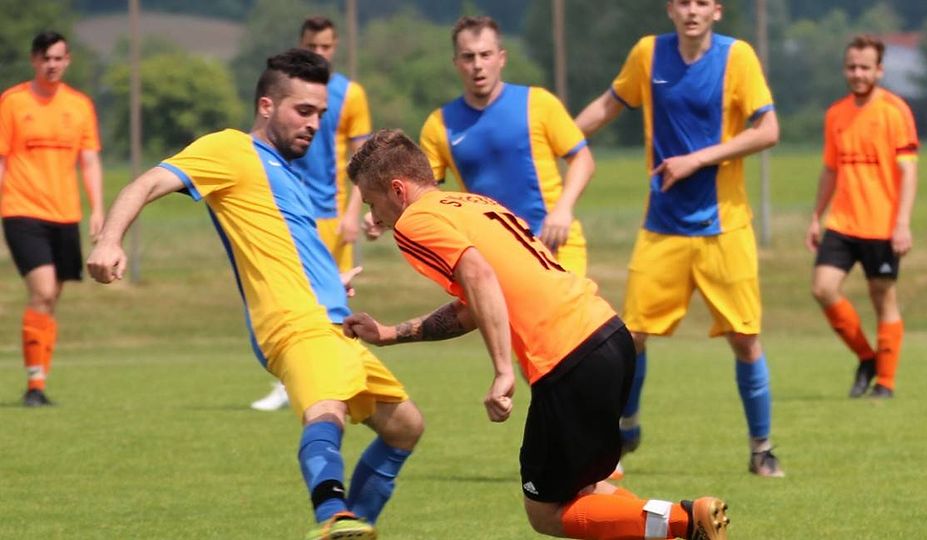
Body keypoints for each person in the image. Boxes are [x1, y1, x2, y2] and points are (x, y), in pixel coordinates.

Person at [87, 49, 423, 540]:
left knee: (405, 427)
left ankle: (354, 525)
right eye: (302, 111)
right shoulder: (229, 149)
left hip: (333, 320)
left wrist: (332, 281)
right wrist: (110, 240)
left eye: (320, 114)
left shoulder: (285, 172)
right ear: (267, 106)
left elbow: (286, 247)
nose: (313, 124)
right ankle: (334, 514)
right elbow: (147, 182)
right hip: (295, 322)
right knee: (326, 410)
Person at [344, 128, 729, 540]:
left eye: (372, 203)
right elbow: (474, 304)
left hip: (567, 355)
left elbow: (479, 277)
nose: (375, 217)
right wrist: (390, 333)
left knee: (545, 512)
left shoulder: (415, 221)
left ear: (398, 190)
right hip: (608, 335)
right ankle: (684, 525)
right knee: (587, 491)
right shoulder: (471, 203)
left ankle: (687, 520)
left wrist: (502, 371)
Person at [574, 0, 784, 477]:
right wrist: (553, 141)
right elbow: (606, 106)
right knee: (630, 337)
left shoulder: (737, 57)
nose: (692, 11)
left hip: (725, 228)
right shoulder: (648, 54)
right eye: (683, 2)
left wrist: (698, 159)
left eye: (702, 3)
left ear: (717, 11)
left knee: (745, 339)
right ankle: (626, 425)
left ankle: (762, 449)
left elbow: (768, 130)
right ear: (671, 9)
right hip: (662, 227)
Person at [251, 15, 373, 413]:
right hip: (287, 210)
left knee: (334, 302)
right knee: (289, 298)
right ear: (300, 45)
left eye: (326, 47)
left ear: (335, 47)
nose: (319, 52)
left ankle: (340, 378)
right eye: (312, 46)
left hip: (331, 215)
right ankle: (288, 382)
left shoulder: (350, 94)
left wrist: (353, 213)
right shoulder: (285, 92)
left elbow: (362, 158)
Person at [418, 15, 595, 277]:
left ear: (501, 58)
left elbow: (583, 160)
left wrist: (563, 210)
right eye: (468, 57)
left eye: (485, 55)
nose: (477, 65)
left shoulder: (538, 103)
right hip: (491, 257)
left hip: (554, 245)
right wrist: (383, 214)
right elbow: (423, 193)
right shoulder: (439, 124)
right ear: (456, 63)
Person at [806, 35, 919, 399]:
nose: (857, 74)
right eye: (852, 67)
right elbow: (830, 169)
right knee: (822, 288)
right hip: (842, 222)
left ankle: (885, 383)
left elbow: (908, 171)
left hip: (882, 225)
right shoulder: (835, 114)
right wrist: (816, 216)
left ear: (879, 70)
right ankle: (867, 358)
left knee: (882, 297)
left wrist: (902, 223)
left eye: (865, 67)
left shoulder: (895, 111)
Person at [0, 31, 103, 407]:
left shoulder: (80, 105)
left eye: (58, 58)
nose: (52, 65)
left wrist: (98, 209)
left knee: (51, 299)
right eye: (45, 58)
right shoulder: (12, 102)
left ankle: (39, 381)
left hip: (65, 214)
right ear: (34, 61)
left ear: (68, 60)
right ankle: (34, 385)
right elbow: (2, 159)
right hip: (21, 209)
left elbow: (89, 161)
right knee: (42, 291)